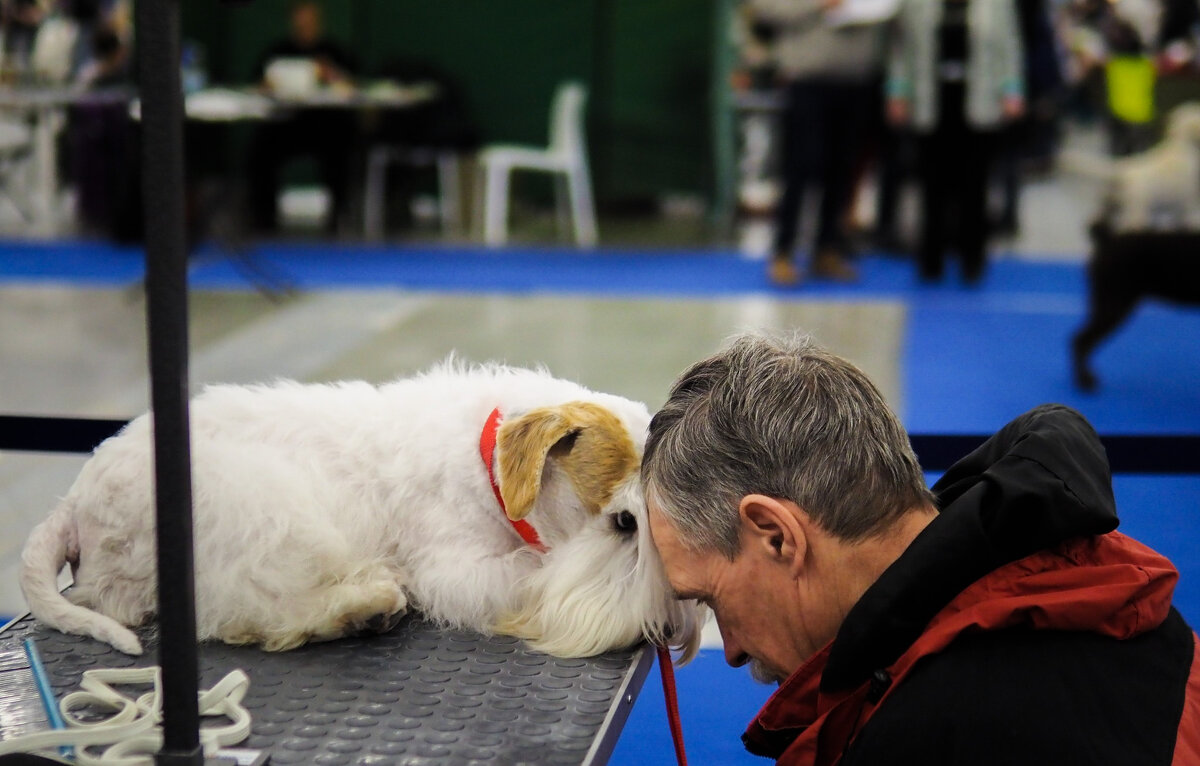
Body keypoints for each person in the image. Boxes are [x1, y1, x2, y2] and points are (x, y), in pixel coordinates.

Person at [643, 332, 1200, 766]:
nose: (733, 649)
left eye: (712, 601)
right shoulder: (1084, 575)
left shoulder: (931, 734)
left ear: (776, 534)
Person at [887, 0, 1025, 283]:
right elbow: (902, 49)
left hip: (979, 104)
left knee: (975, 186)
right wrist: (898, 90)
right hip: (931, 104)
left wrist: (1012, 89)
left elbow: (1010, 46)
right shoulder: (915, 5)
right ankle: (930, 259)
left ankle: (972, 260)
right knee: (931, 186)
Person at [750, 0, 886, 286]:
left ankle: (827, 249)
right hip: (806, 80)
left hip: (856, 81)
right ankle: (782, 252)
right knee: (801, 167)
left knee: (842, 168)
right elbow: (766, 9)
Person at [247, 0, 357, 236]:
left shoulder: (333, 51)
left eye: (311, 19)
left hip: (325, 127)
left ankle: (339, 216)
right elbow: (258, 86)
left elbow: (352, 87)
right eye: (301, 18)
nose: (305, 24)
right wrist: (268, 85)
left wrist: (333, 77)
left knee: (339, 148)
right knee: (261, 150)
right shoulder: (277, 51)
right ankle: (264, 219)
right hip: (286, 126)